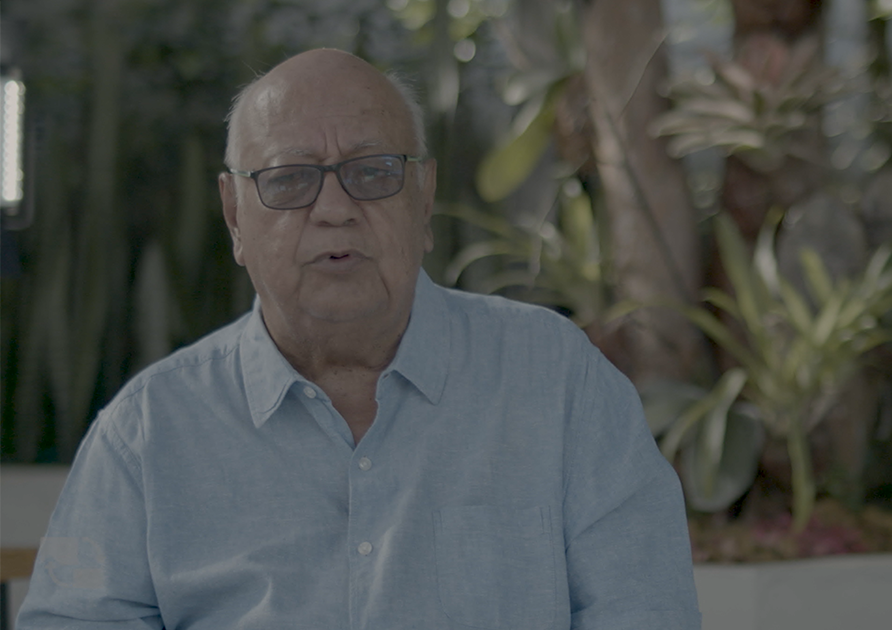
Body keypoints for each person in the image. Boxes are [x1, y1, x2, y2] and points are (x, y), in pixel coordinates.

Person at [17, 48, 701, 629]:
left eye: (373, 172)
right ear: (234, 217)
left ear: (423, 198)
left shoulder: (558, 382)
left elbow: (646, 611)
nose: (335, 209)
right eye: (290, 179)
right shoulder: (147, 435)